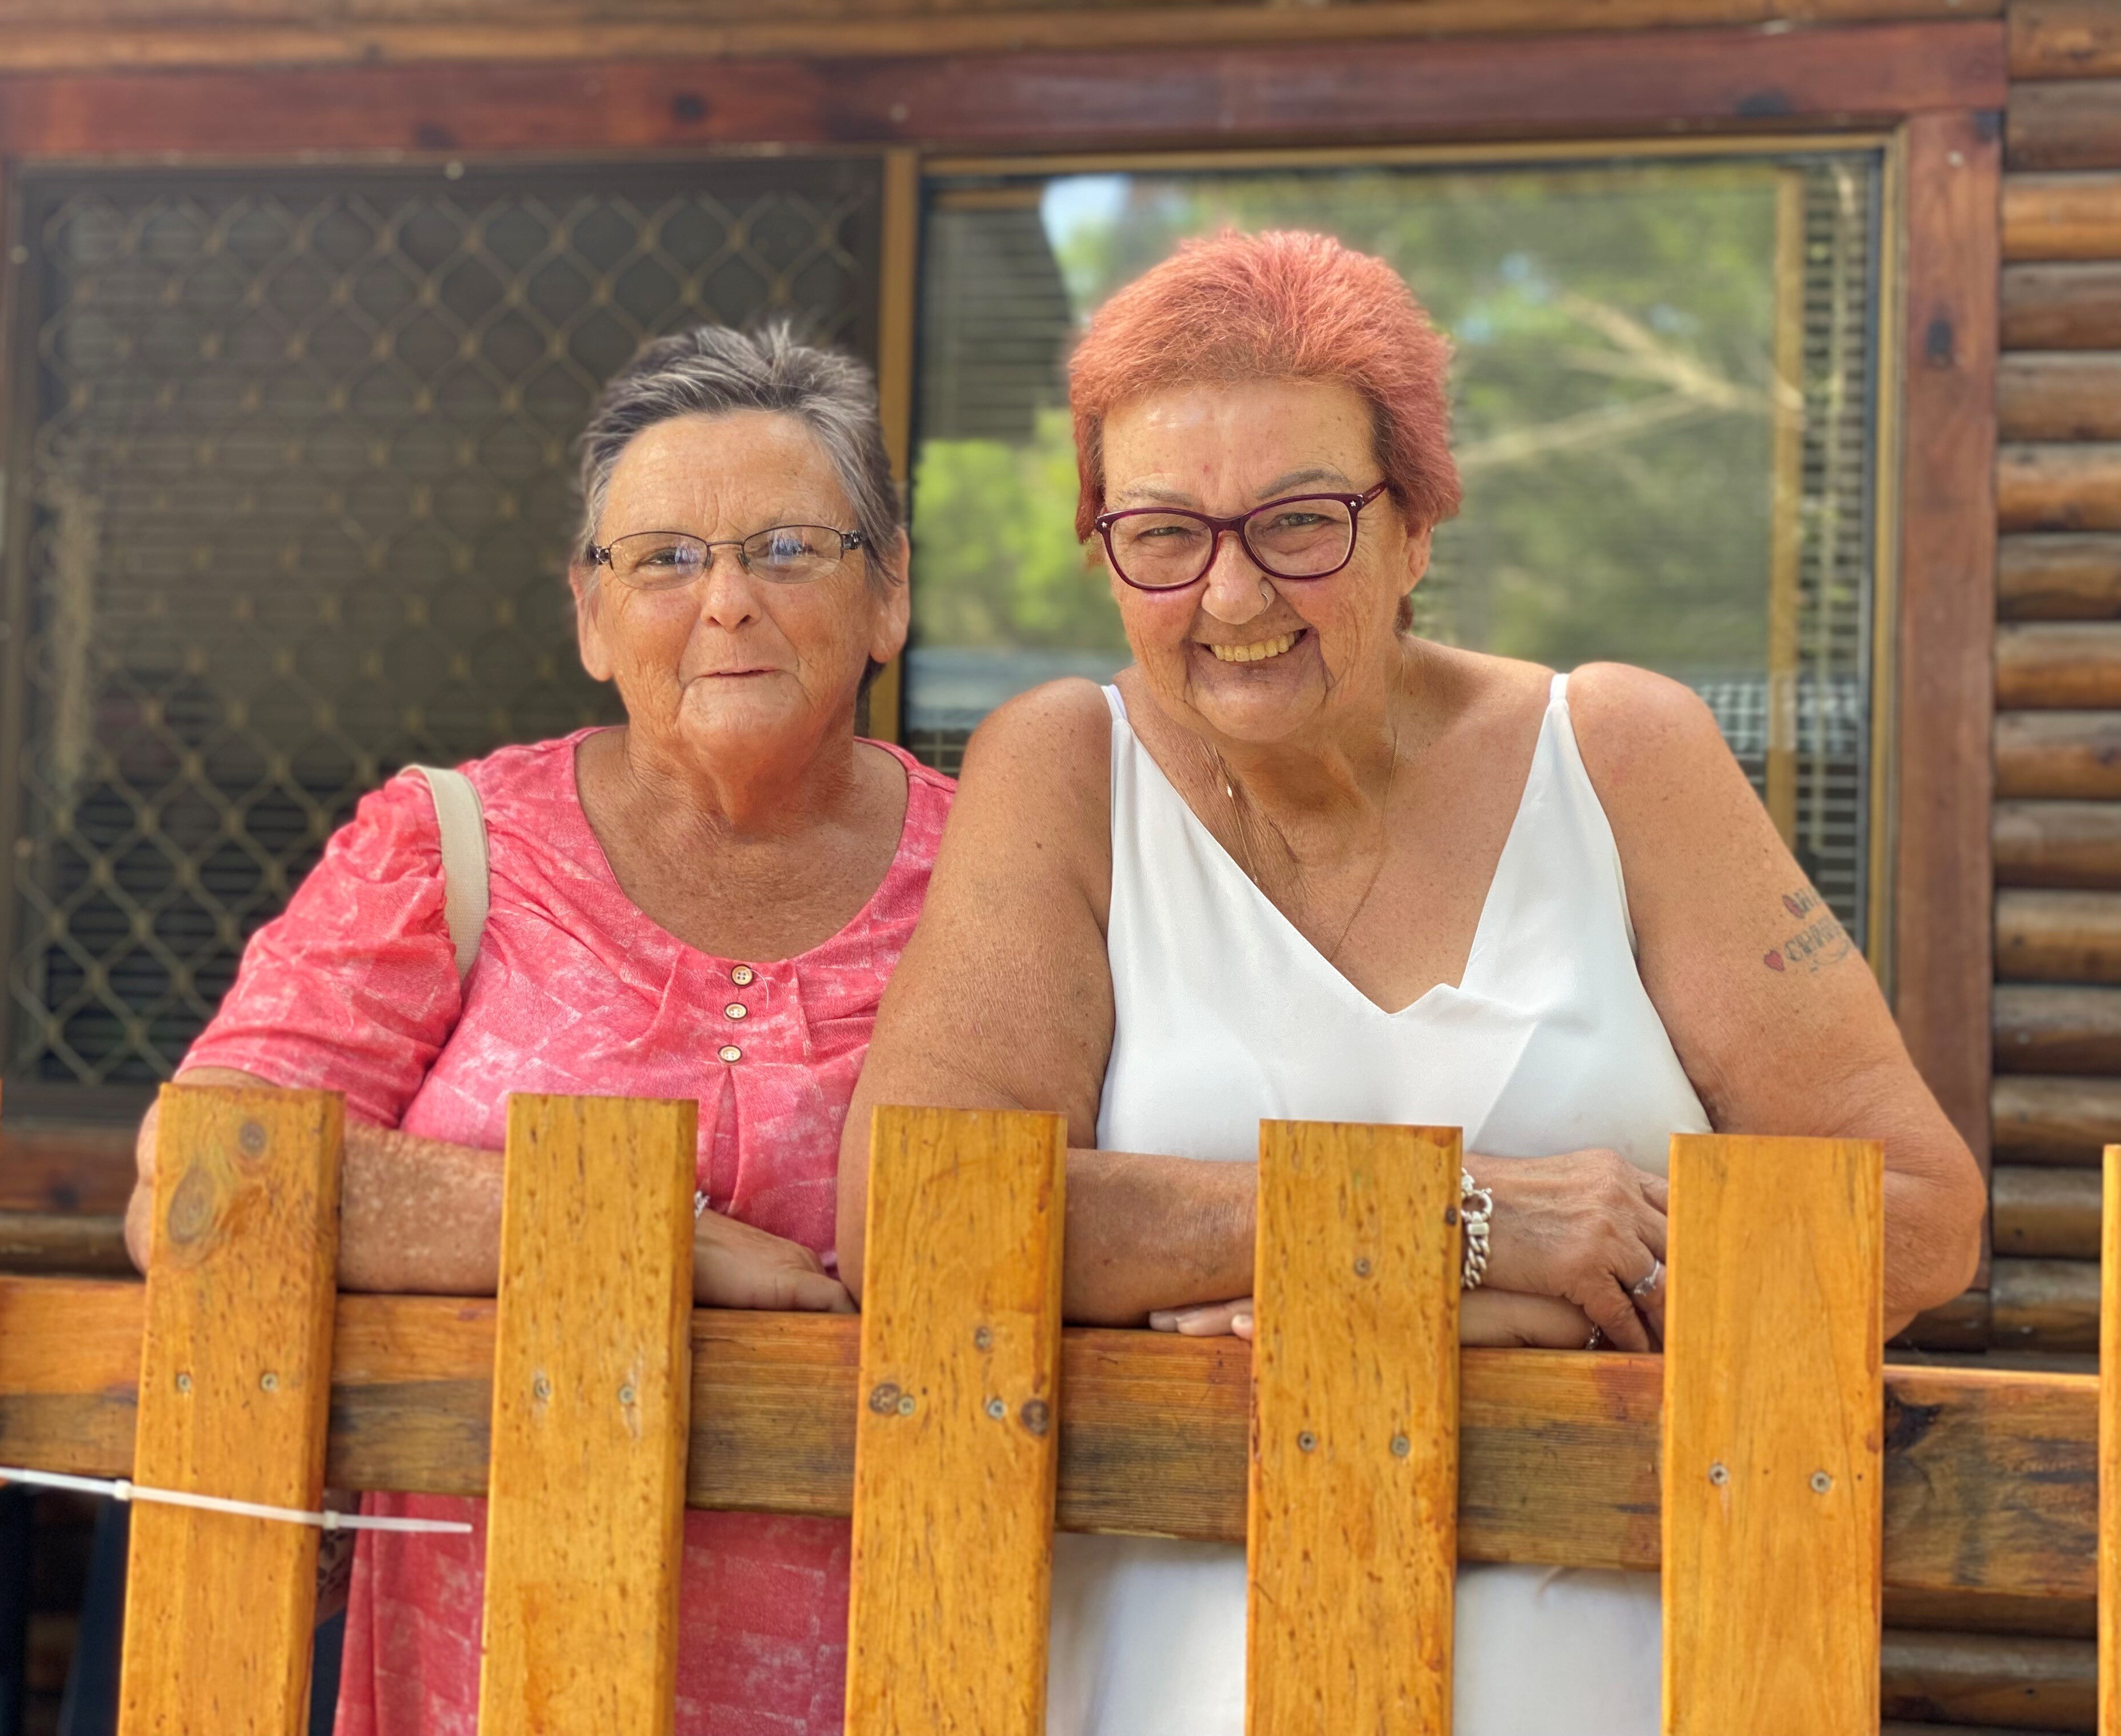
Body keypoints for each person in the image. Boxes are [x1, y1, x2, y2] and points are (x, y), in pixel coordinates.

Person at [837, 230, 1984, 1735]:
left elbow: (1912, 1213)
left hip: (1618, 1672)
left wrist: (1535, 1308)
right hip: (1180, 1683)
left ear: (1418, 523)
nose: (1233, 596)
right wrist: (1459, 1237)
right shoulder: (1065, 771)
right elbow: (913, 1217)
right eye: (1163, 534)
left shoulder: (1621, 756)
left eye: (1301, 522)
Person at [125, 321, 953, 1736]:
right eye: (667, 558)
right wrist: (654, 1237)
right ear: (590, 612)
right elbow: (202, 1183)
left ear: (889, 599)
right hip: (494, 1676)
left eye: (790, 550)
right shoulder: (449, 849)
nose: (729, 602)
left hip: (913, 1660)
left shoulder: (1004, 872)